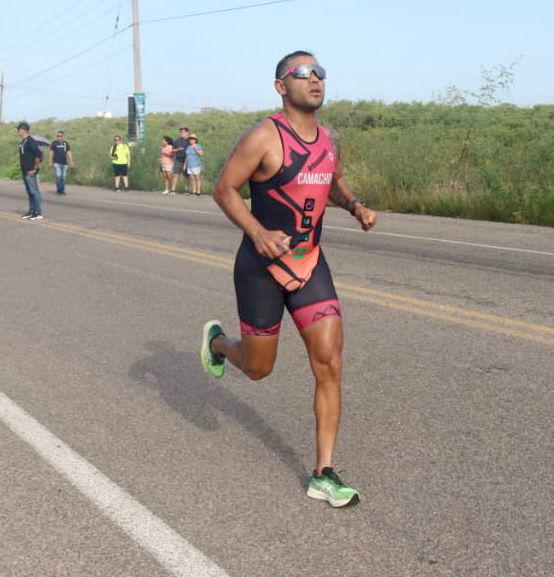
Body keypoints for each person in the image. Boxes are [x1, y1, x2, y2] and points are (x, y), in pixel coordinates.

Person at [200, 50, 377, 508]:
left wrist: (355, 205)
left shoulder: (328, 138)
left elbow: (330, 181)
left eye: (320, 72)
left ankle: (324, 472)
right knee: (258, 369)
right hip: (261, 268)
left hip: (310, 263)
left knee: (330, 362)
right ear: (281, 86)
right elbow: (224, 189)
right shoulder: (264, 136)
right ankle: (218, 343)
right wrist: (257, 232)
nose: (315, 79)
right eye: (303, 73)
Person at [17, 121, 44, 220]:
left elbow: (39, 155)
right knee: (29, 192)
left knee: (34, 192)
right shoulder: (23, 141)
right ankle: (32, 211)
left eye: (18, 129)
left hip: (31, 171)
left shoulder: (31, 141)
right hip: (25, 171)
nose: (17, 131)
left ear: (24, 130)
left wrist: (34, 168)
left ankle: (38, 212)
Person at [48, 130, 73, 195]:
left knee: (63, 177)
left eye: (60, 136)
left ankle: (62, 190)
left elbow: (69, 152)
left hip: (64, 163)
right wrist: (50, 161)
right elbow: (51, 153)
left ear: (62, 136)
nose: (59, 137)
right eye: (58, 136)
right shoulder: (54, 143)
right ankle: (59, 190)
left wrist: (71, 161)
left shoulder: (66, 143)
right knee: (58, 176)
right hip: (56, 162)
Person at [171, 127, 189, 193]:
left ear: (187, 133)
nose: (182, 133)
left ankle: (186, 190)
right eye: (181, 132)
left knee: (186, 176)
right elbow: (172, 150)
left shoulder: (190, 141)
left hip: (187, 161)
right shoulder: (177, 141)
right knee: (175, 174)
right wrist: (178, 149)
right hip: (178, 159)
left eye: (184, 132)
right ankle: (173, 190)